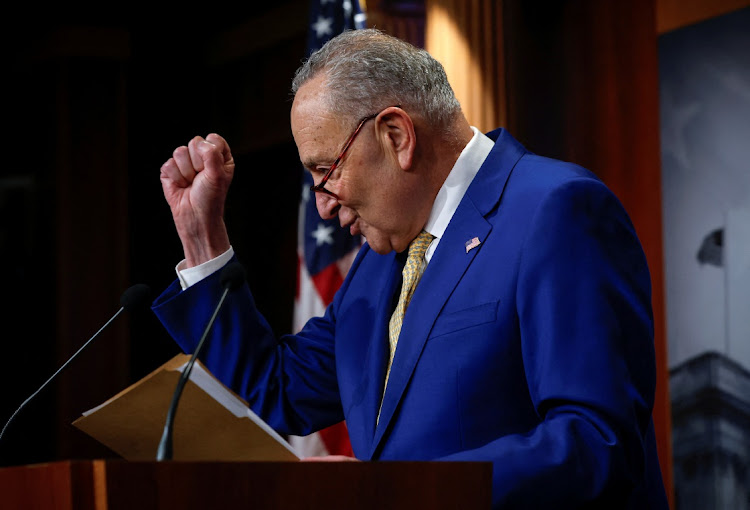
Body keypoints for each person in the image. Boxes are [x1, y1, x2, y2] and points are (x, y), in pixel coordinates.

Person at [153, 29, 668, 508]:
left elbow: (597, 442)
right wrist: (203, 241)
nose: (323, 206)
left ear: (396, 134)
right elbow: (280, 391)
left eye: (325, 170)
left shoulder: (555, 211)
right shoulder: (380, 263)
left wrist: (393, 492)